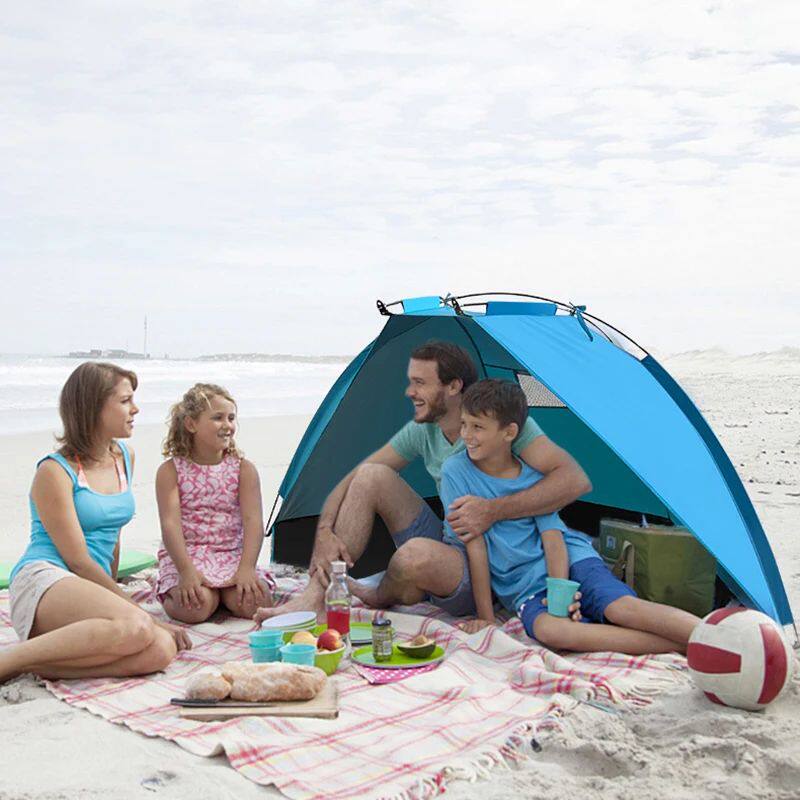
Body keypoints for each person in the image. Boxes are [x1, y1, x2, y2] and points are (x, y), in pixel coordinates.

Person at [256, 341, 591, 624]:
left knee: (411, 558)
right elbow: (355, 476)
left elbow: (573, 481)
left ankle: (380, 594)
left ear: (453, 386)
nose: (410, 392)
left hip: (494, 563)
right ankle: (315, 597)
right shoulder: (424, 430)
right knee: (370, 475)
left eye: (420, 383)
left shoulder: (502, 424)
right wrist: (324, 531)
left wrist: (492, 511)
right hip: (451, 543)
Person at [444, 378, 699, 654]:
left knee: (621, 609)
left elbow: (553, 539)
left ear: (509, 433)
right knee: (553, 632)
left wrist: (560, 594)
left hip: (572, 560)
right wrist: (486, 618)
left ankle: (716, 635)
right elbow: (475, 544)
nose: (466, 435)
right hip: (525, 585)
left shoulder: (532, 477)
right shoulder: (455, 472)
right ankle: (692, 646)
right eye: (464, 424)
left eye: (478, 427)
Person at [1, 362, 190, 684]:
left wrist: (112, 598)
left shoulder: (124, 457)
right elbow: (77, 560)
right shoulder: (54, 472)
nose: (135, 409)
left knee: (160, 650)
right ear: (93, 407)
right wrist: (133, 610)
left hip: (87, 587)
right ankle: (8, 661)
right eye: (125, 401)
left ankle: (37, 665)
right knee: (138, 626)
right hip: (45, 579)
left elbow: (112, 536)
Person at [155, 383, 275, 624]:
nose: (227, 425)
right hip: (188, 556)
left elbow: (253, 522)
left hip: (232, 554)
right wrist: (186, 571)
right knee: (195, 608)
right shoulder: (170, 471)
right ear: (191, 424)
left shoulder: (243, 469)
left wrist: (247, 568)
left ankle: (223, 595)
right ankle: (204, 597)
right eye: (218, 418)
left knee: (256, 603)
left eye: (231, 418)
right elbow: (170, 525)